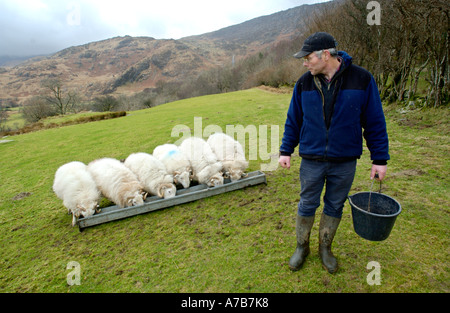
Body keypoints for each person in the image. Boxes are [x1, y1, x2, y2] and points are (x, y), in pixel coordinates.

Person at [278, 32, 389, 274]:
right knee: (307, 203)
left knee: (335, 205)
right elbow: (293, 120)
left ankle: (325, 248)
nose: (304, 64)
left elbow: (374, 122)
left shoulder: (362, 79)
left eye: (308, 58)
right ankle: (301, 246)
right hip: (311, 160)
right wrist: (286, 150)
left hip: (344, 161)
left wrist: (379, 159)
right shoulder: (303, 83)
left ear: (325, 55)